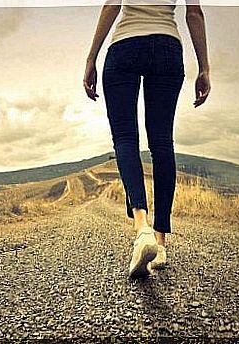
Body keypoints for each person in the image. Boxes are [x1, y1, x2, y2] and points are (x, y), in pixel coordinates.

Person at [83, 0, 211, 278]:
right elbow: (194, 12)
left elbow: (111, 6)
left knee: (125, 138)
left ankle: (142, 229)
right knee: (162, 142)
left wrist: (91, 58)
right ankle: (160, 242)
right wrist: (204, 68)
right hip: (167, 47)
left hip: (124, 46)